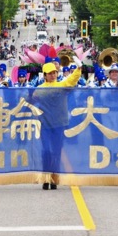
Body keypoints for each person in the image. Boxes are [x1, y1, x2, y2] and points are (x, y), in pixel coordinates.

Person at [35, 56, 83, 190]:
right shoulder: (39, 89)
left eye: (54, 72)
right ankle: (45, 178)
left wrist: (79, 68)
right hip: (45, 125)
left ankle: (54, 179)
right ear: (45, 75)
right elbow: (31, 100)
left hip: (59, 124)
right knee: (45, 151)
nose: (53, 75)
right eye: (50, 73)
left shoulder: (61, 85)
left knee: (56, 151)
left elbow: (72, 80)